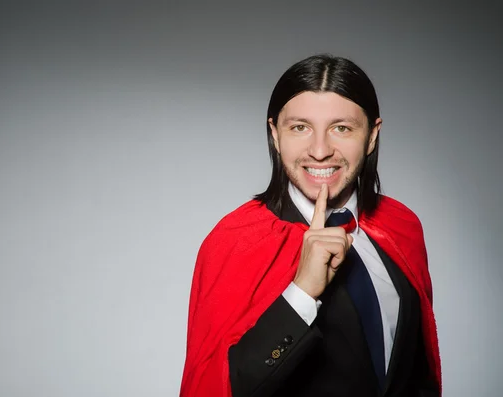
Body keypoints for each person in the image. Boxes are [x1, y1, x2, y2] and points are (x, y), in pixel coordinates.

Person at [180, 54, 441, 397]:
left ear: (372, 136)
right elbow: (222, 387)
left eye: (341, 128)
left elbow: (417, 372)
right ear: (275, 134)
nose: (320, 151)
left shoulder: (400, 225)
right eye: (300, 127)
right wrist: (302, 293)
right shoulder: (236, 240)